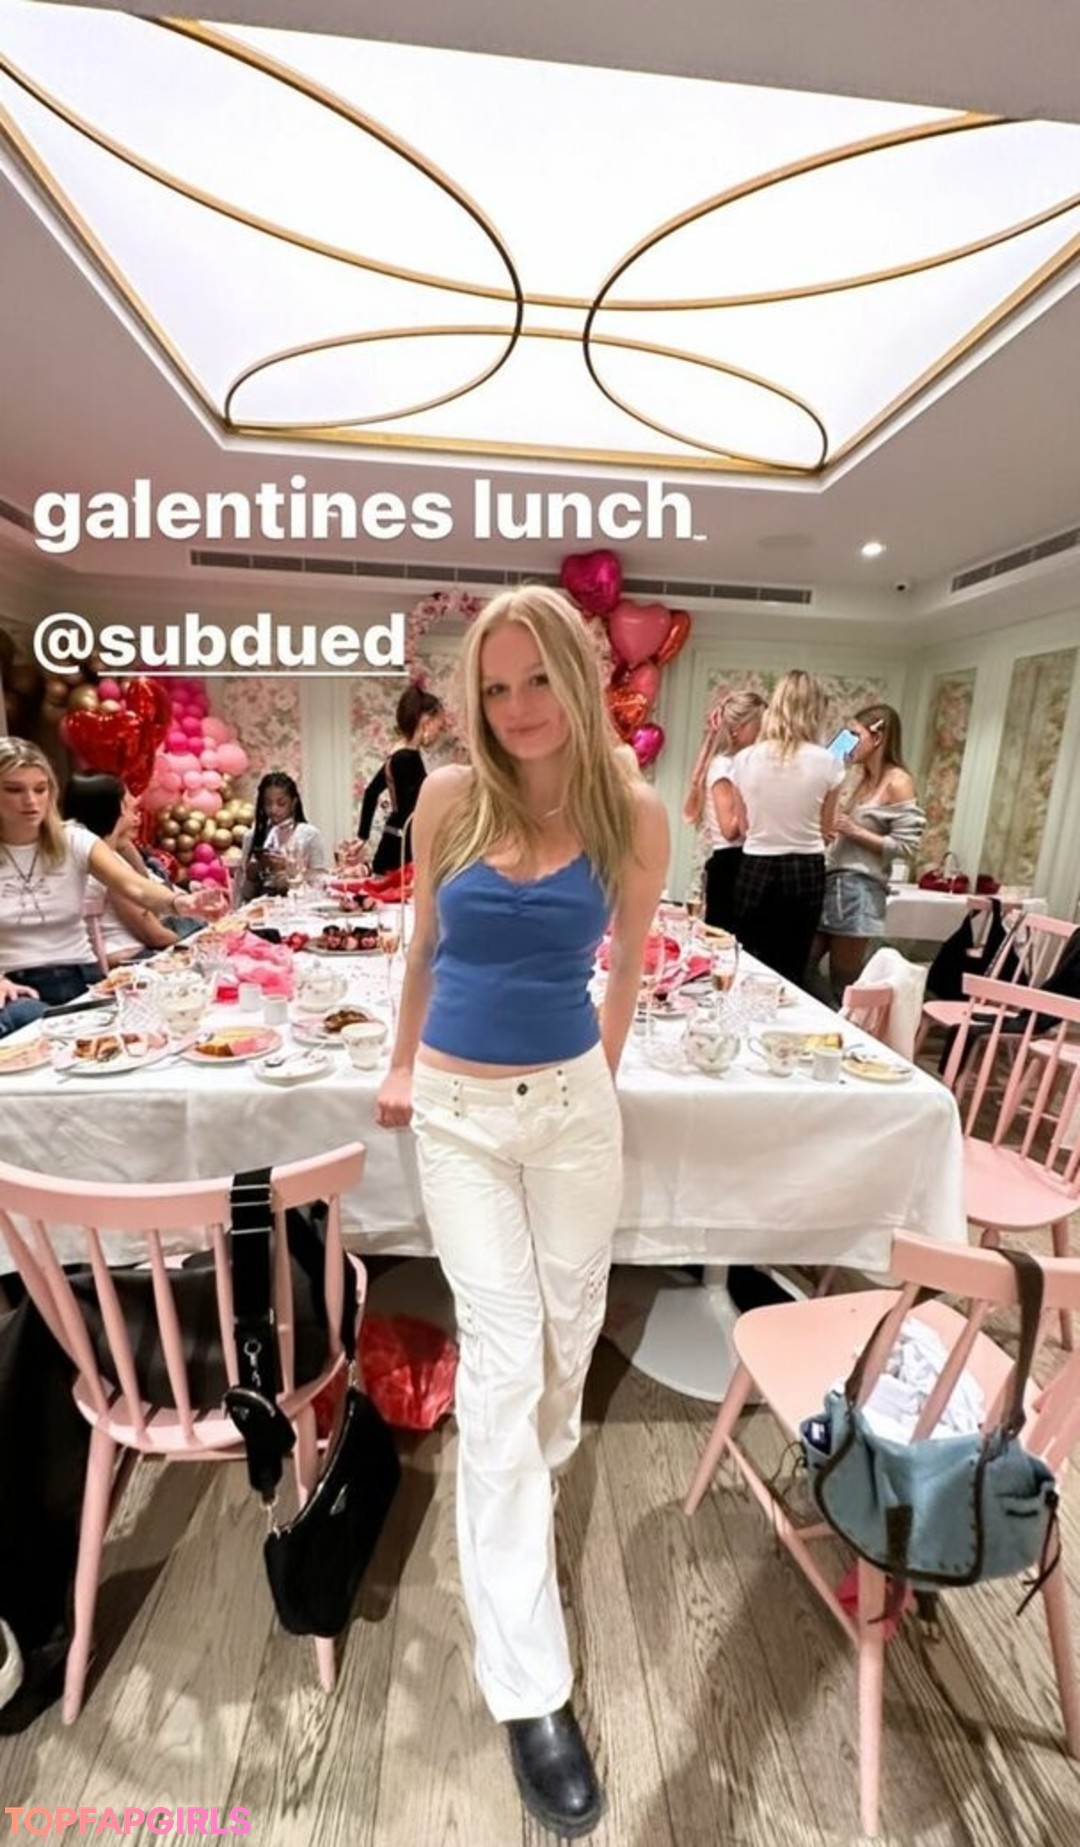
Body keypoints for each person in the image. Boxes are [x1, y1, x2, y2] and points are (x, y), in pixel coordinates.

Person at [374, 587, 668, 1837]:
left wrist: (597, 1082)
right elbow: (424, 950)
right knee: (502, 1363)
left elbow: (631, 963)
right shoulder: (449, 797)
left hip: (571, 1111)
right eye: (493, 688)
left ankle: (517, 1488)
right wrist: (400, 1060)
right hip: (458, 1114)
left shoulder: (630, 810)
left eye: (535, 678)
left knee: (567, 1333)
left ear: (579, 674)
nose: (515, 707)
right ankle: (532, 1682)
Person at [0, 738, 224, 1006]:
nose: (30, 800)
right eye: (14, 790)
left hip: (81, 974)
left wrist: (180, 902)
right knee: (29, 1015)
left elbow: (132, 885)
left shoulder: (73, 839)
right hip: (16, 987)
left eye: (40, 789)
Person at [715, 670, 845, 986]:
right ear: (815, 711)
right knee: (793, 962)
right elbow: (826, 829)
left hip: (756, 863)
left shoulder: (745, 759)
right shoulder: (829, 761)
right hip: (805, 866)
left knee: (750, 957)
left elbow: (744, 826)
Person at [811, 705, 925, 1001]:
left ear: (877, 737)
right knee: (804, 966)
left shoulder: (898, 782)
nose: (849, 743)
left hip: (859, 890)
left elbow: (908, 846)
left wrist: (854, 831)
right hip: (833, 883)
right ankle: (831, 1017)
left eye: (855, 735)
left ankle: (846, 1025)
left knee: (844, 980)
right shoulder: (861, 780)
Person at [61, 773, 180, 965]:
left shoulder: (84, 849)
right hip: (130, 957)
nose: (135, 803)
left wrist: (126, 847)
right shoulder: (105, 863)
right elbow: (154, 935)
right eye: (128, 800)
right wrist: (193, 945)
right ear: (118, 808)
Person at [682, 689, 766, 931]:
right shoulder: (724, 767)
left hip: (738, 863)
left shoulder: (740, 764)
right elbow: (730, 830)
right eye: (760, 724)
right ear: (739, 728)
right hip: (730, 864)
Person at [357, 684, 445, 874]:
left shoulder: (398, 754)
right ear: (426, 720)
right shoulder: (407, 757)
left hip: (393, 843)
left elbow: (371, 792)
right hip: (403, 850)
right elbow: (413, 810)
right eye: (440, 726)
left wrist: (362, 836)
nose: (440, 733)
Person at [236, 771, 328, 902]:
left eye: (281, 803)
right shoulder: (252, 837)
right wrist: (251, 875)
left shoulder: (309, 835)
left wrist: (288, 868)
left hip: (300, 907)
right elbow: (244, 896)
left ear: (293, 802)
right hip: (262, 909)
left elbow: (320, 882)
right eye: (268, 803)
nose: (273, 810)